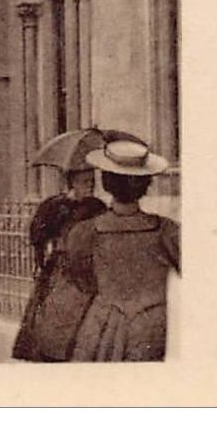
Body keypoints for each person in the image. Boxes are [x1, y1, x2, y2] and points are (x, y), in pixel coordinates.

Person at [62, 140, 179, 362]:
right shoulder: (167, 230)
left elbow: (80, 279)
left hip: (102, 323)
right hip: (150, 327)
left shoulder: (84, 232)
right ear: (146, 184)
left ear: (106, 183)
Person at [11, 166, 106, 361]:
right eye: (84, 182)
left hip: (88, 267)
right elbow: (37, 233)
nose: (90, 186)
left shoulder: (97, 207)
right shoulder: (56, 205)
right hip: (61, 268)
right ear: (72, 183)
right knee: (53, 316)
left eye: (92, 182)